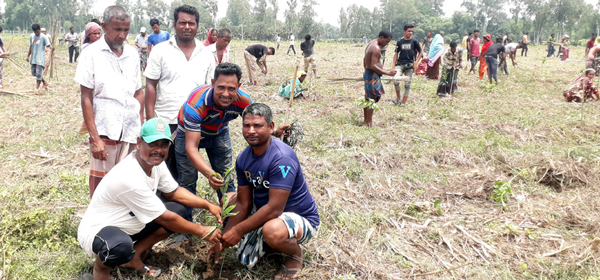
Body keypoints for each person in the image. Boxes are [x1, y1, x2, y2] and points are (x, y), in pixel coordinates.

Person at [77, 118, 223, 280]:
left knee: (179, 211)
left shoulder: (155, 164)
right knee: (121, 247)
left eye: (163, 144)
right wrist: (202, 230)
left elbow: (174, 192)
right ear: (139, 143)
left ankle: (134, 257)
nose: (158, 150)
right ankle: (100, 271)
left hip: (129, 224)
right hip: (100, 231)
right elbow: (165, 219)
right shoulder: (129, 177)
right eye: (153, 143)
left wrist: (208, 205)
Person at [207, 103, 320, 280]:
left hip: (301, 218)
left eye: (258, 125)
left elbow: (275, 209)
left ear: (271, 127)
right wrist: (222, 241)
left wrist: (238, 231)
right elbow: (244, 203)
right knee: (244, 258)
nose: (251, 131)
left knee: (272, 231)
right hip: (267, 213)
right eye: (247, 125)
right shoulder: (243, 158)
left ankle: (294, 255)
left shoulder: (281, 158)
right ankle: (273, 245)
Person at [174, 63, 289, 214]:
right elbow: (191, 148)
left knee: (225, 177)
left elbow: (255, 125)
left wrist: (274, 132)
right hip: (188, 132)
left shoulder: (244, 100)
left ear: (239, 86)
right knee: (187, 179)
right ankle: (185, 226)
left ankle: (230, 219)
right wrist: (209, 174)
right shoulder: (195, 105)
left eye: (231, 89)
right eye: (221, 87)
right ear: (213, 83)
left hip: (219, 131)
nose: (226, 94)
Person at [75, 6, 143, 197]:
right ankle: (99, 226)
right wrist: (95, 139)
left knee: (126, 184)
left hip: (130, 130)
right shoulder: (91, 54)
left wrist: (141, 128)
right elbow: (86, 97)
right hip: (105, 130)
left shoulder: (132, 54)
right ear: (104, 26)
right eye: (117, 30)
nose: (122, 35)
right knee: (101, 187)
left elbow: (138, 92)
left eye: (126, 30)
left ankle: (120, 225)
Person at [145, 4, 214, 181]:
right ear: (175, 24)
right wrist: (151, 119)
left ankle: (183, 205)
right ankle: (160, 205)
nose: (187, 27)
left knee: (187, 169)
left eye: (191, 23)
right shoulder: (160, 50)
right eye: (182, 22)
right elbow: (151, 85)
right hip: (165, 120)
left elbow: (210, 90)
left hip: (193, 122)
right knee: (161, 168)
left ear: (197, 26)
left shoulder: (206, 53)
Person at [362, 31, 397, 127]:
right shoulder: (376, 48)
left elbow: (364, 60)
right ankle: (368, 122)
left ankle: (367, 121)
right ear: (381, 38)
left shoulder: (371, 44)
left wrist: (365, 70)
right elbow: (373, 65)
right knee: (371, 99)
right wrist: (387, 73)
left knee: (369, 98)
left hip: (370, 74)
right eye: (386, 41)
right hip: (372, 74)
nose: (387, 44)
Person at [392, 24, 422, 106]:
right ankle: (398, 98)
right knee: (395, 80)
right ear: (404, 31)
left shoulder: (415, 42)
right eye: (409, 31)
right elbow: (396, 54)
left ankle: (403, 102)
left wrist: (416, 62)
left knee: (407, 84)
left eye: (412, 31)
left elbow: (421, 52)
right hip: (400, 64)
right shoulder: (400, 42)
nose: (410, 33)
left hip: (410, 65)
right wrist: (393, 67)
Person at [27, 24, 53, 90]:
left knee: (39, 74)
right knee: (34, 73)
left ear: (40, 30)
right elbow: (31, 46)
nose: (37, 33)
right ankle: (44, 82)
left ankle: (37, 88)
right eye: (35, 32)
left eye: (38, 31)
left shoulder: (44, 37)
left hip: (40, 58)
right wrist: (28, 56)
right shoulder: (32, 36)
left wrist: (51, 48)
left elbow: (48, 45)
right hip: (33, 58)